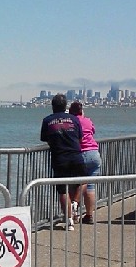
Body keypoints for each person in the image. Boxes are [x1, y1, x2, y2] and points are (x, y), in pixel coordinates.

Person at [40, 94, 86, 231]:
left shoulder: (47, 120)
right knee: (84, 181)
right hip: (76, 156)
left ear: (52, 106)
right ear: (65, 106)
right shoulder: (74, 119)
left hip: (59, 158)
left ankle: (69, 221)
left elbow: (45, 139)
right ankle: (75, 203)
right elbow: (80, 138)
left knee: (62, 191)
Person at [69, 101, 101, 224]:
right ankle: (89, 215)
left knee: (74, 185)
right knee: (90, 186)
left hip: (80, 154)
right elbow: (92, 131)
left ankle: (73, 214)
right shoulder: (88, 120)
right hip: (94, 153)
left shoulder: (72, 122)